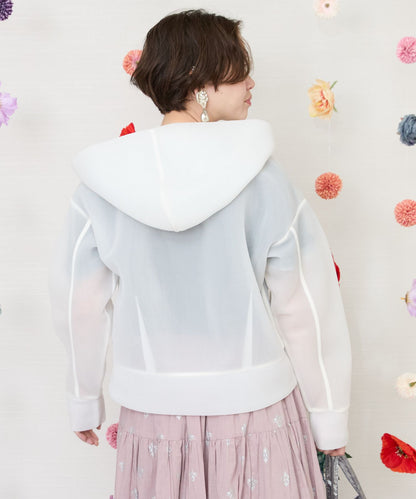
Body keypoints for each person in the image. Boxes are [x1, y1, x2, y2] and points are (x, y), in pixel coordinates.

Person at [47, 8, 352, 499]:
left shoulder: (100, 187)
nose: (251, 82)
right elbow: (307, 307)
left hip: (153, 420)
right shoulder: (263, 179)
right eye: (239, 69)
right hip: (258, 414)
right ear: (198, 80)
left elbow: (78, 306)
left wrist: (84, 397)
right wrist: (329, 413)